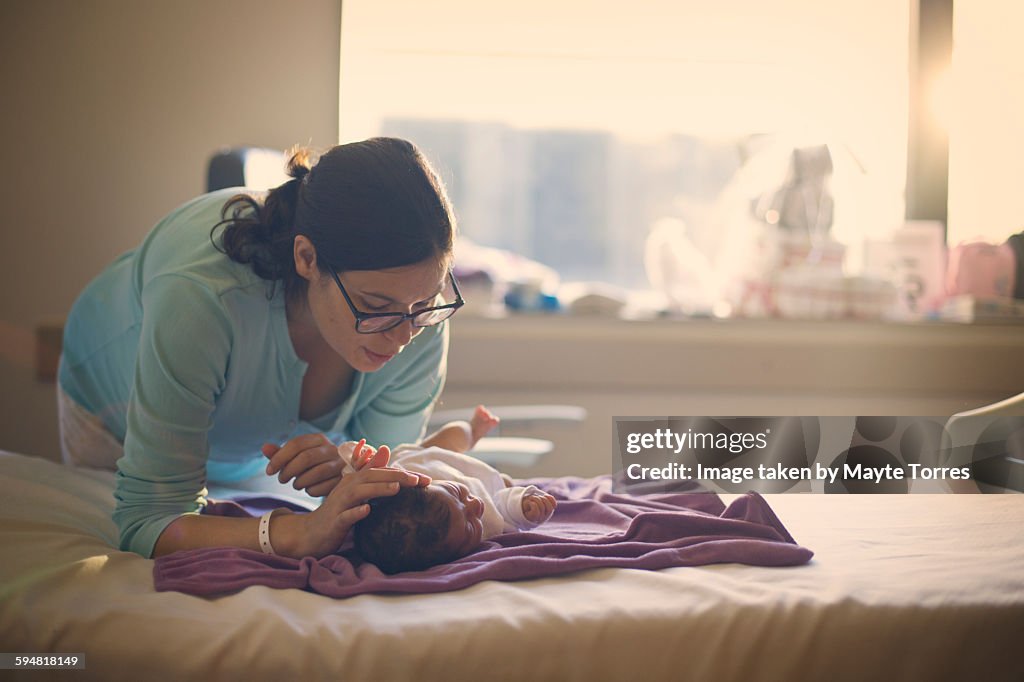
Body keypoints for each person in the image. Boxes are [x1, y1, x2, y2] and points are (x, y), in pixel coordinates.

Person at [57, 138, 464, 560]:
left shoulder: (418, 319)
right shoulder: (203, 295)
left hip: (246, 456)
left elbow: (385, 501)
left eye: (426, 303)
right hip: (111, 406)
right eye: (375, 307)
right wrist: (297, 532)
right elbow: (148, 520)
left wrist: (347, 476)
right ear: (306, 258)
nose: (403, 337)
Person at [273, 406, 556, 574]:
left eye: (458, 495)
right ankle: (488, 458)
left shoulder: (390, 491)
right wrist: (526, 507)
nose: (474, 506)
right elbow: (504, 509)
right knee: (503, 483)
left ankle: (472, 428)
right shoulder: (487, 519)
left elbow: (352, 485)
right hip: (483, 481)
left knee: (453, 437)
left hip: (422, 460)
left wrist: (359, 464)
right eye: (471, 527)